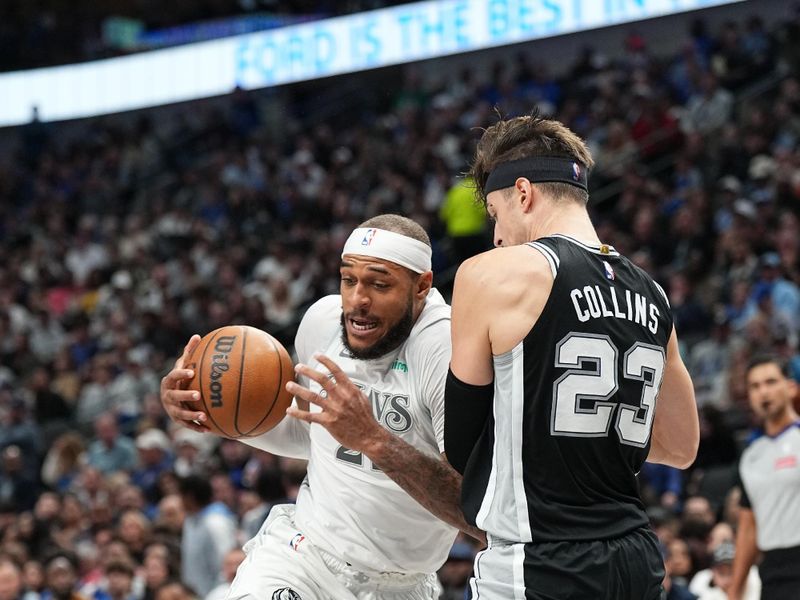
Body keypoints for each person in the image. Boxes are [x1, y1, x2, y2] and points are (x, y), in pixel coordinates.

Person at [444, 114, 699, 599]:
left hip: (540, 560)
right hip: (637, 560)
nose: (495, 236)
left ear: (523, 193)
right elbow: (682, 446)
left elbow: (460, 444)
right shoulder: (654, 294)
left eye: (495, 214)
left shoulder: (491, 273)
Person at [160, 215, 478, 600]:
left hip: (403, 585)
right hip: (304, 557)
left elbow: (474, 511)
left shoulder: (446, 348)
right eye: (349, 280)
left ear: (421, 287)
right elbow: (309, 434)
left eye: (379, 284)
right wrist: (212, 413)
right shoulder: (322, 322)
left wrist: (373, 439)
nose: (358, 300)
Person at [729, 355, 800, 600]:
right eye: (755, 386)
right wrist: (735, 591)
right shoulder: (750, 456)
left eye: (771, 382)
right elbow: (748, 528)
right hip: (771, 572)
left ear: (791, 387)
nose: (763, 392)